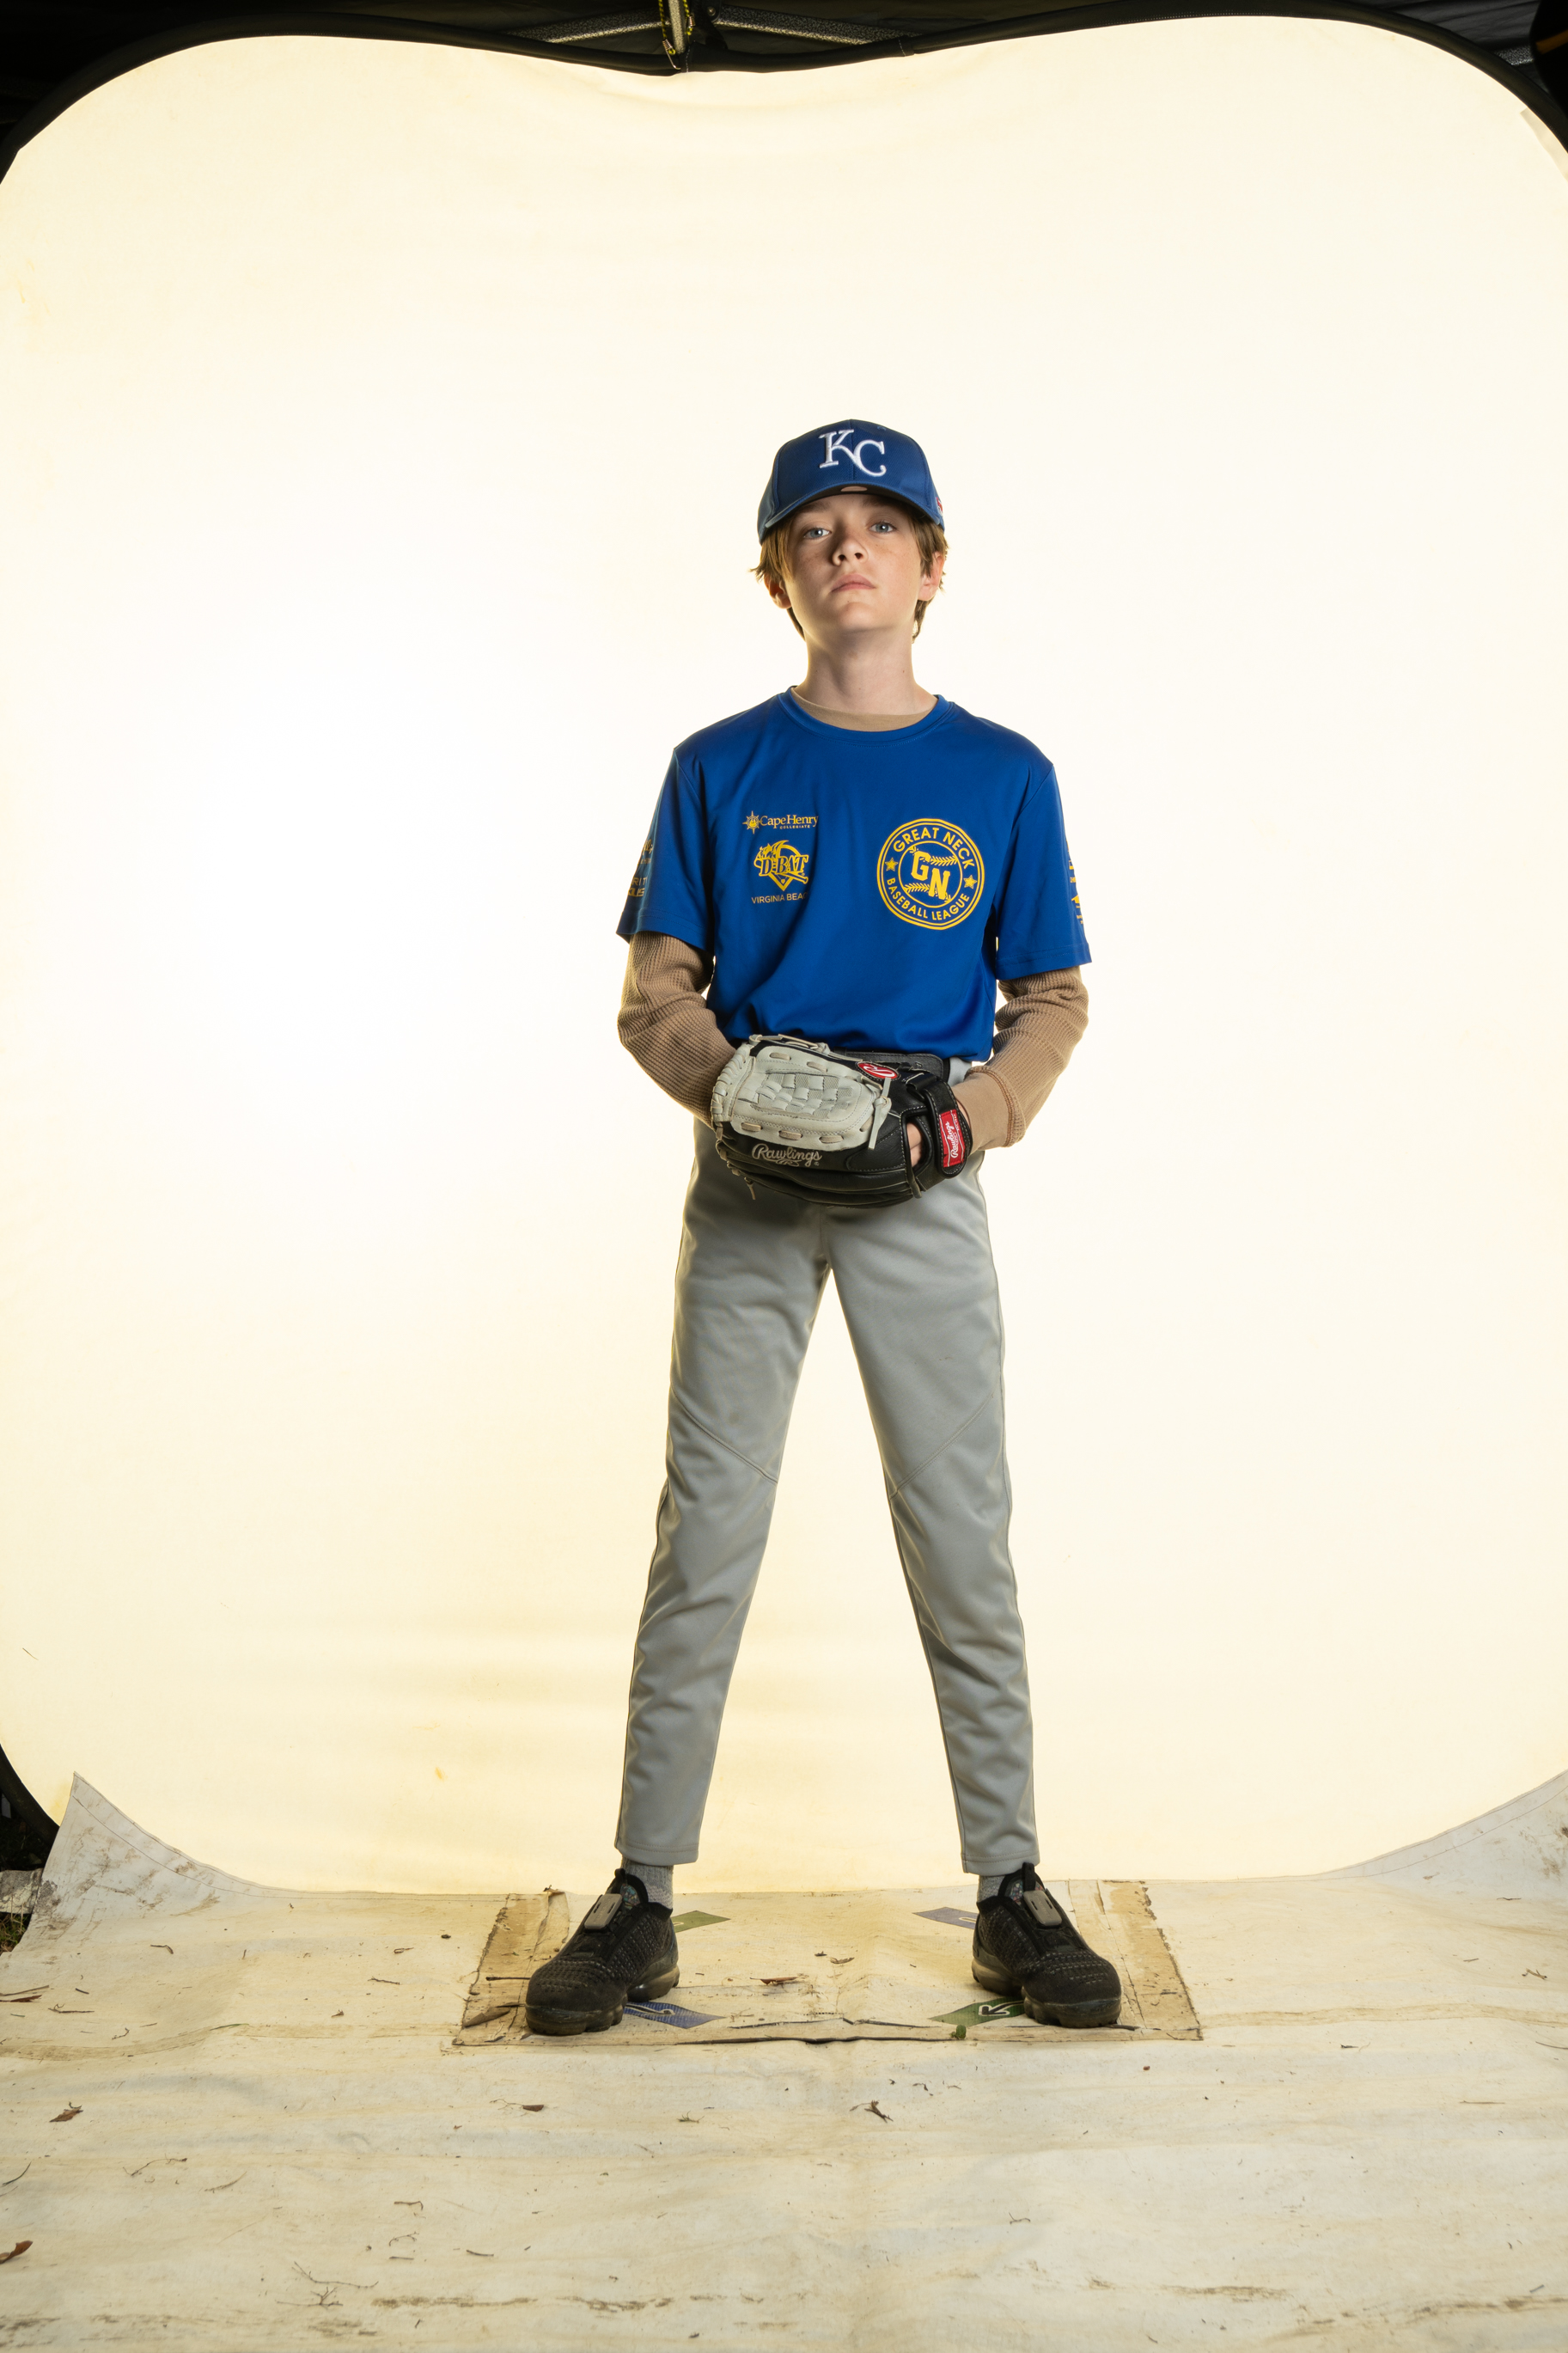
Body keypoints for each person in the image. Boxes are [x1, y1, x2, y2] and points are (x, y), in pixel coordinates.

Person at [524, 420, 1121, 2037]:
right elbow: (656, 995)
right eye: (810, 526)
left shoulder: (1002, 775)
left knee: (959, 1526)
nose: (844, 544)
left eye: (879, 522)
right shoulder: (718, 767)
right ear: (774, 576)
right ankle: (643, 1892)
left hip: (921, 1175)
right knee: (706, 1526)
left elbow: (1050, 998)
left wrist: (962, 1117)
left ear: (932, 568)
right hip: (755, 1181)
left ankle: (1009, 1885)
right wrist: (735, 1090)